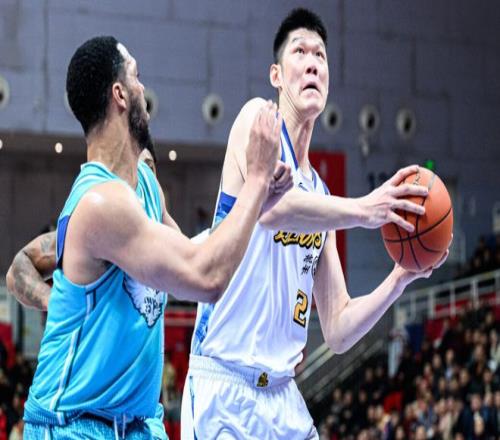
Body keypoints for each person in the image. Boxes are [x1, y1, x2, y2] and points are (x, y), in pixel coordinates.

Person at [181, 8, 449, 439]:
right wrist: (364, 209)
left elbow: (338, 329)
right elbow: (272, 209)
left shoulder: (321, 196)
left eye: (320, 56)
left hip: (283, 395)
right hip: (224, 386)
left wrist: (400, 278)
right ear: (275, 75)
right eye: (300, 52)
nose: (312, 63)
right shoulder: (257, 122)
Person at [11, 35, 291, 439]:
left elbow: (198, 255)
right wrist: (257, 180)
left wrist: (258, 202)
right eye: (136, 76)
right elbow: (207, 278)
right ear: (120, 94)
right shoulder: (99, 203)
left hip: (139, 423)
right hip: (73, 424)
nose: (144, 89)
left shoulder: (145, 187)